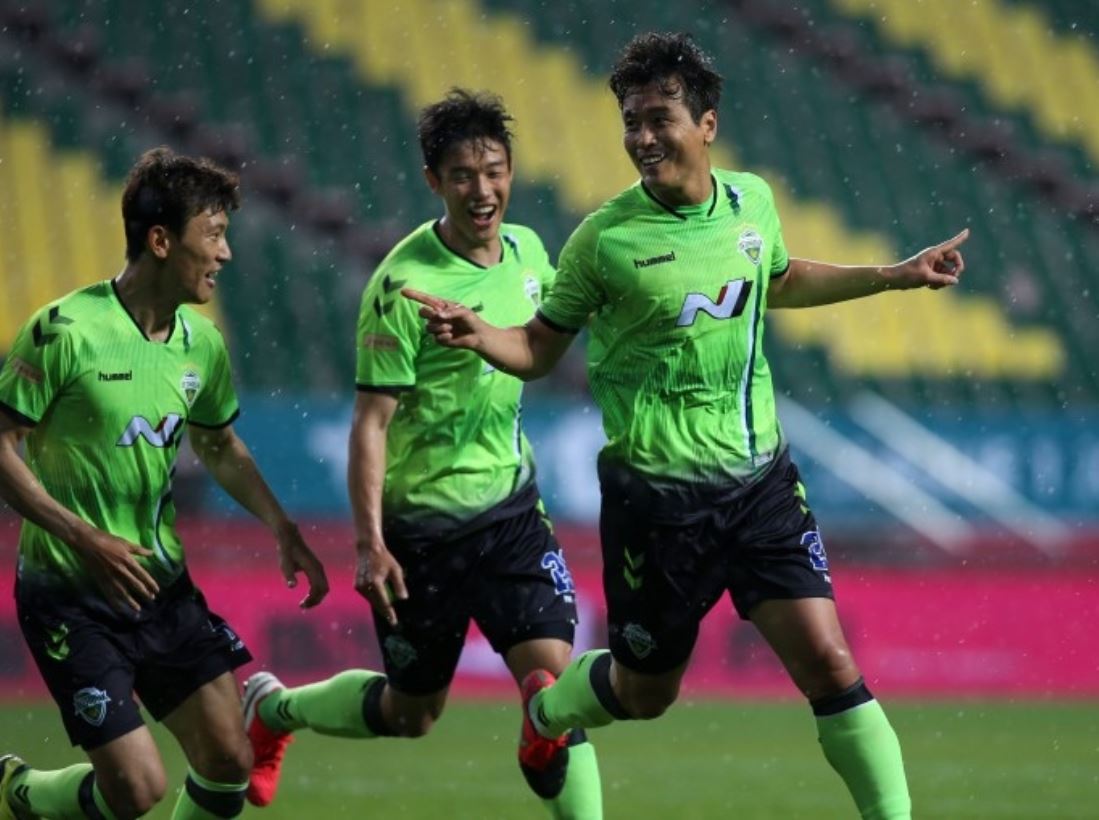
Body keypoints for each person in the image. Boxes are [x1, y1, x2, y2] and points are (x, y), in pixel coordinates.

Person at [405, 33, 971, 820]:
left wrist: (893, 275)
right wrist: (480, 336)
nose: (641, 137)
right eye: (630, 121)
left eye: (657, 118)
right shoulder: (604, 239)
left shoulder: (751, 203)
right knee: (643, 694)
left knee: (830, 662)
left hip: (761, 485)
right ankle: (546, 715)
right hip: (658, 505)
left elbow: (777, 277)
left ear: (706, 124)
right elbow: (537, 346)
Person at [241, 89, 603, 819]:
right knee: (412, 713)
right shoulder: (401, 288)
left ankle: (546, 745)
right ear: (433, 180)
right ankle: (274, 712)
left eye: (495, 171)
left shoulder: (532, 250)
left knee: (552, 689)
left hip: (508, 512)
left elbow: (535, 349)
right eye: (463, 175)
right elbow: (369, 425)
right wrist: (370, 544)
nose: (484, 190)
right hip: (420, 535)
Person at [0, 147, 329, 820]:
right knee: (137, 790)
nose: (226, 254)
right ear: (159, 240)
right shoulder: (65, 331)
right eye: (213, 235)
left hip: (160, 588)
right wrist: (83, 536)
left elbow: (219, 444)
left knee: (229, 763)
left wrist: (282, 528)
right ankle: (20, 790)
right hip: (70, 594)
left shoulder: (199, 344)